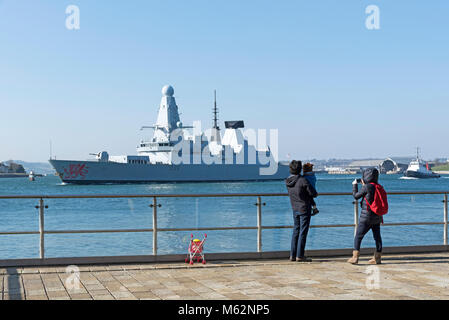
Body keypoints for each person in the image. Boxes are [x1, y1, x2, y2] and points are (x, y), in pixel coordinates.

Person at [347, 167, 383, 265]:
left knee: (358, 236)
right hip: (377, 216)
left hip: (366, 217)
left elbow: (356, 196)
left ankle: (355, 258)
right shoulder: (378, 186)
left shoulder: (367, 187)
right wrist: (364, 185)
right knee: (377, 237)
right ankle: (377, 258)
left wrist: (354, 185)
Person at [286, 160, 318, 262]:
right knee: (303, 232)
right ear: (300, 169)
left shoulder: (288, 181)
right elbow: (313, 193)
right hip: (304, 208)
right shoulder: (303, 180)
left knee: (296, 231)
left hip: (294, 208)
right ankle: (300, 255)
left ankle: (292, 255)